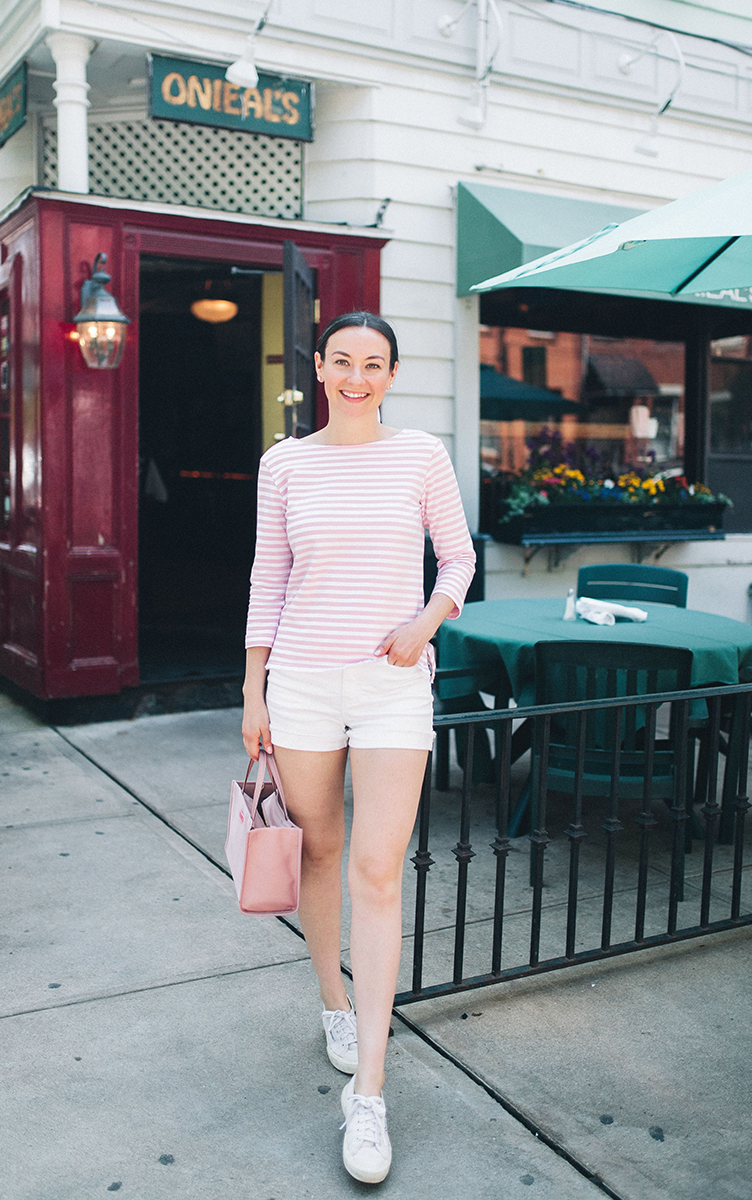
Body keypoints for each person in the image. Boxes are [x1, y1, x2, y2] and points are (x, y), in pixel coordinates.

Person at [242, 311, 475, 1184]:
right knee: (322, 851)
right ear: (319, 367)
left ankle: (368, 1094)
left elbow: (457, 559)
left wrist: (426, 620)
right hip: (300, 682)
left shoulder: (421, 456)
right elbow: (270, 575)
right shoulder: (285, 463)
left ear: (391, 374)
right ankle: (334, 1003)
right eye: (342, 360)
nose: (355, 375)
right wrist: (252, 687)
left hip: (390, 686)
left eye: (372, 363)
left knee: (378, 871)